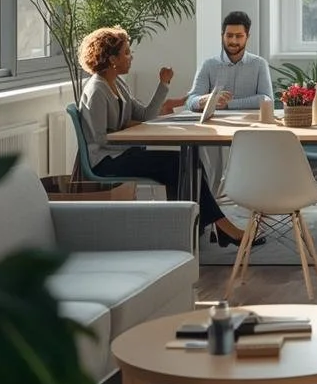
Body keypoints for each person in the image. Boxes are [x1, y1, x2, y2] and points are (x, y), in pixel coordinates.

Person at [75, 26, 254, 247]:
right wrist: (130, 128)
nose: (131, 57)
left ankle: (192, 228)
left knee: (188, 163)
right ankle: (216, 227)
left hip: (122, 153)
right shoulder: (97, 90)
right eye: (127, 53)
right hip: (106, 161)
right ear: (112, 59)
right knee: (177, 164)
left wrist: (164, 84)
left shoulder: (117, 84)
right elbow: (101, 138)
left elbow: (146, 115)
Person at [185, 10, 272, 112]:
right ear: (222, 36)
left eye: (239, 36)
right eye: (229, 35)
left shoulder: (259, 64)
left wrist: (229, 104)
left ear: (247, 37)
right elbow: (190, 101)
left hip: (251, 124)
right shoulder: (208, 65)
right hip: (215, 124)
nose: (233, 41)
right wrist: (207, 99)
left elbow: (267, 99)